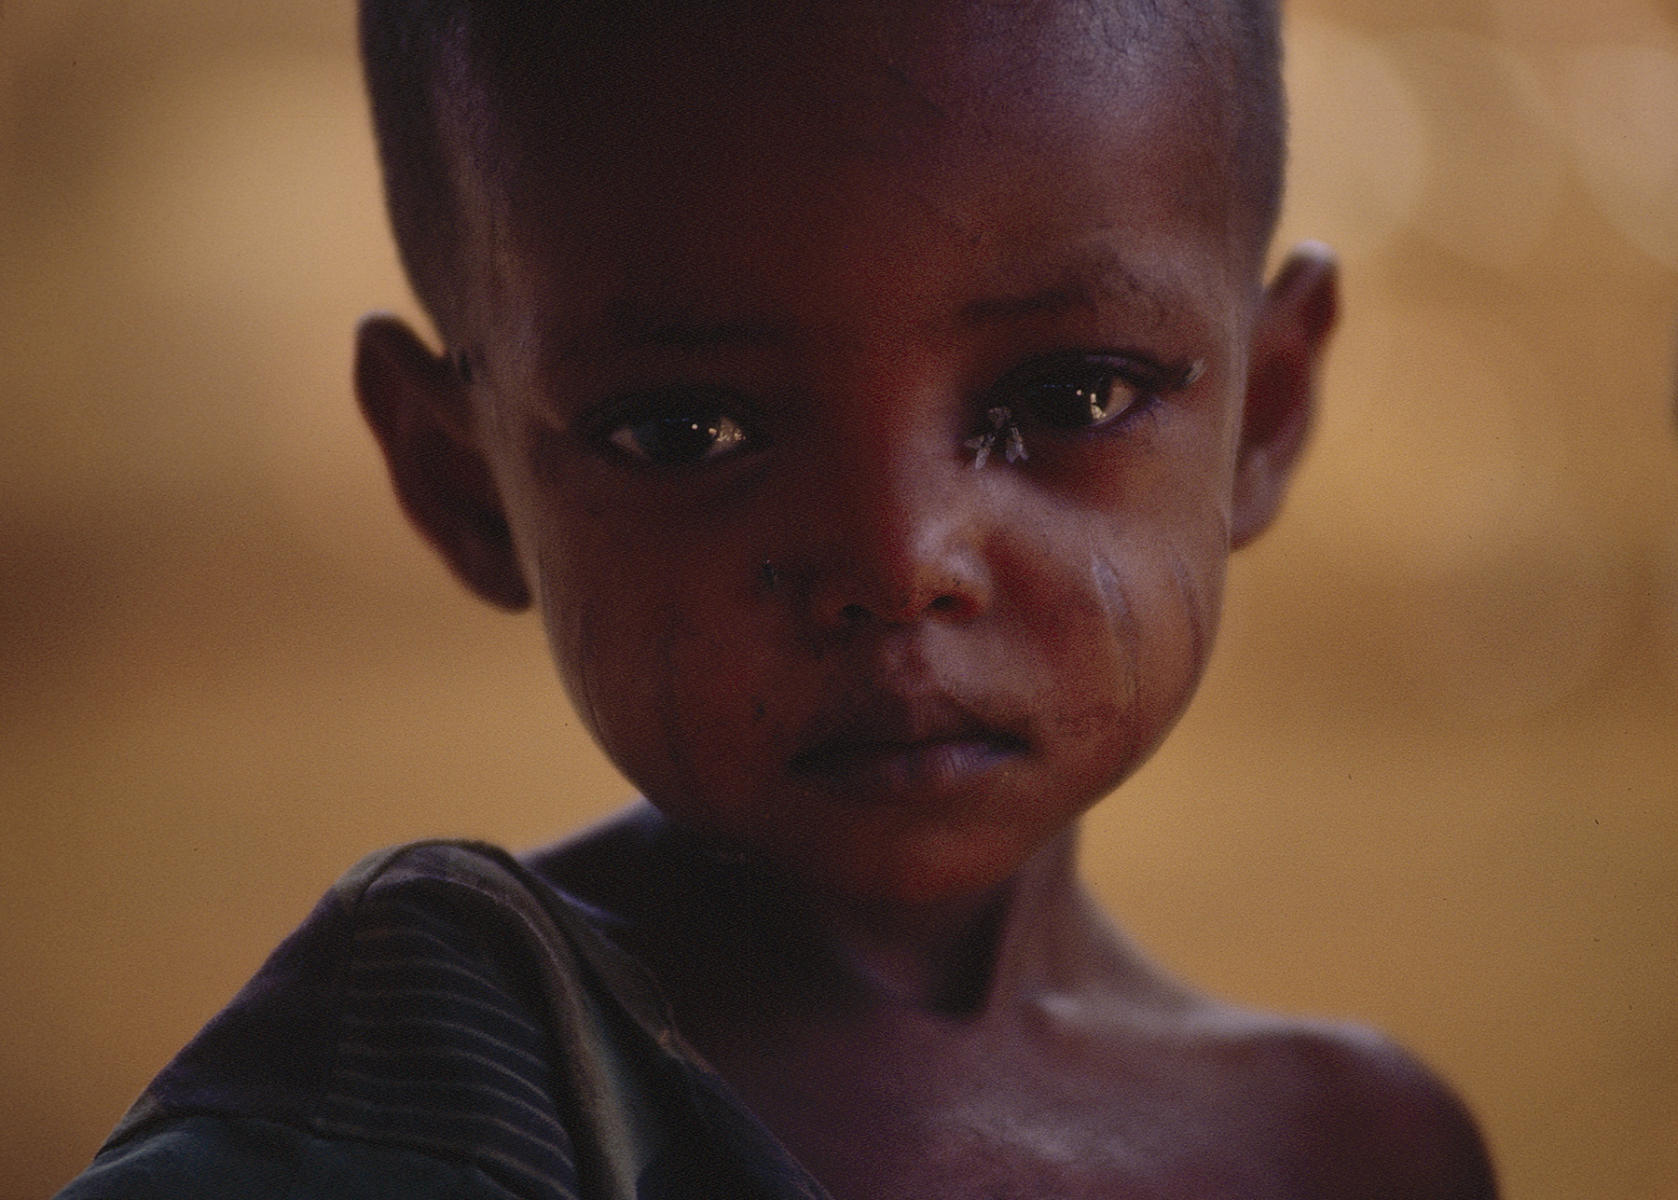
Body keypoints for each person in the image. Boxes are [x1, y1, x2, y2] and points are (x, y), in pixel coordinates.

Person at [55, 0, 1499, 1196]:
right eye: (685, 430)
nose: (895, 558)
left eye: (1070, 393)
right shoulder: (416, 1092)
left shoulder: (1355, 1147)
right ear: (464, 481)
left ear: (1265, 413)